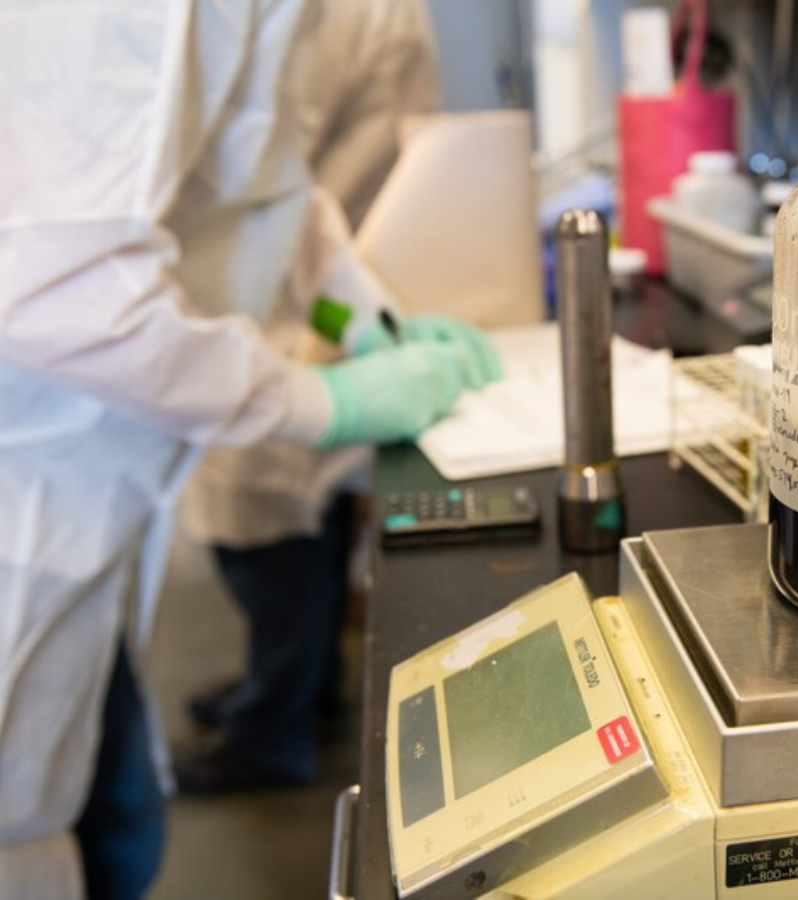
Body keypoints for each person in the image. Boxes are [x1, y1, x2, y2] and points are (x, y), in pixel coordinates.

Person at [0, 2, 497, 897]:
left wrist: (362, 317)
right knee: (41, 829)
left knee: (111, 810)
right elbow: (57, 292)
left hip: (89, 492)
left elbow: (263, 184)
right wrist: (321, 400)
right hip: (29, 477)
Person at [170, 0, 478, 794]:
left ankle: (280, 716)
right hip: (198, 342)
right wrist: (325, 398)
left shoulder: (322, 26)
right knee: (269, 524)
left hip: (266, 323)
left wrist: (369, 323)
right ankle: (284, 697)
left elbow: (290, 202)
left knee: (281, 530)